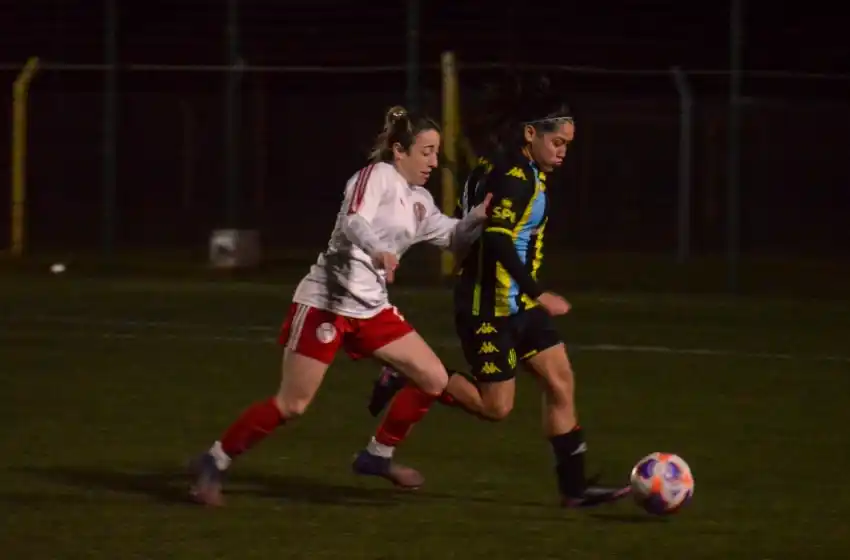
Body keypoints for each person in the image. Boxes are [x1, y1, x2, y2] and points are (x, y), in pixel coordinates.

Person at [190, 106, 492, 506]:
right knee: (293, 404)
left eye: (437, 153)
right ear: (399, 150)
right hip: (327, 302)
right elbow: (353, 222)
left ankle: (376, 456)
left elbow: (453, 237)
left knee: (433, 380)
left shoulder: (418, 199)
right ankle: (215, 460)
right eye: (427, 151)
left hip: (372, 309)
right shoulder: (376, 177)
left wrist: (480, 216)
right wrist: (379, 251)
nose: (434, 162)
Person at [352, 84, 631, 507]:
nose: (562, 152)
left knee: (560, 381)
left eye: (567, 144)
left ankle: (574, 490)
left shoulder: (504, 165)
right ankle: (414, 375)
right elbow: (498, 241)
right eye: (557, 142)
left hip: (518, 304)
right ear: (530, 135)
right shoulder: (514, 178)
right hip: (490, 308)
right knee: (495, 408)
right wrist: (539, 293)